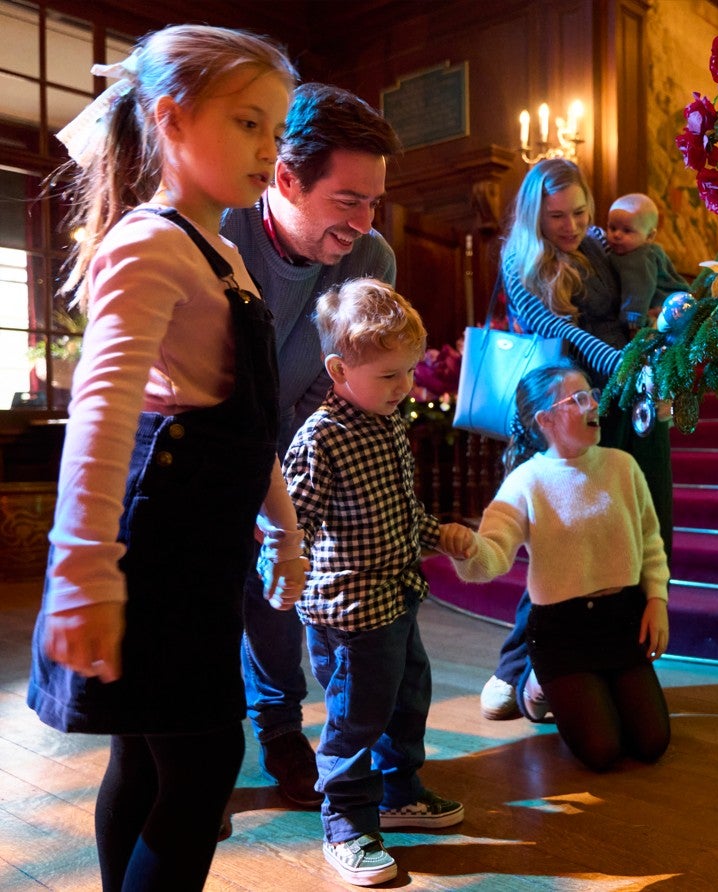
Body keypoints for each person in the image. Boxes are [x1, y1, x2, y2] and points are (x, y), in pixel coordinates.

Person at [25, 26, 304, 891]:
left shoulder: (221, 253)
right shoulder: (148, 243)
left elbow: (245, 424)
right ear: (171, 120)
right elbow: (100, 417)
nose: (270, 151)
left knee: (147, 766)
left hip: (200, 557)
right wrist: (84, 575)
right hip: (150, 557)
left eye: (277, 131)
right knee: (204, 763)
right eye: (249, 123)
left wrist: (282, 529)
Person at [221, 83, 401, 807]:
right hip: (205, 443)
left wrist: (285, 484)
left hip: (293, 449)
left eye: (373, 202)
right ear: (285, 180)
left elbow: (335, 384)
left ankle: (282, 731)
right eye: (347, 200)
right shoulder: (220, 231)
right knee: (208, 613)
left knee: (279, 600)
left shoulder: (370, 260)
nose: (362, 222)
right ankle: (210, 755)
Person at [284, 278, 469, 887]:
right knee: (354, 718)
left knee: (409, 697)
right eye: (390, 374)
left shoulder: (387, 421)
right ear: (339, 369)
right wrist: (278, 573)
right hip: (348, 608)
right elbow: (289, 521)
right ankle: (347, 822)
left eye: (410, 370)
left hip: (397, 593)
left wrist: (436, 532)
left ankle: (399, 790)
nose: (406, 386)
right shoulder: (320, 438)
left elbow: (401, 506)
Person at [479, 159, 675, 722]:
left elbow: (645, 289)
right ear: (534, 215)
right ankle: (517, 667)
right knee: (565, 543)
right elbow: (556, 328)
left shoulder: (601, 242)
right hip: (571, 402)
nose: (570, 225)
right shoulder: (520, 258)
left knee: (636, 525)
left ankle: (618, 657)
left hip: (628, 395)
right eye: (556, 216)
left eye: (580, 211)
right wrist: (619, 360)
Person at [451, 361, 671, 771]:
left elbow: (651, 543)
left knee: (651, 743)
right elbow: (493, 552)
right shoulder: (527, 481)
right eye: (580, 398)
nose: (594, 406)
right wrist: (468, 551)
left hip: (620, 620)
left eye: (594, 396)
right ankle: (532, 688)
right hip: (562, 631)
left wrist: (656, 599)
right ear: (546, 419)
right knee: (602, 752)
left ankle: (595, 687)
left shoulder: (623, 466)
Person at [605, 192, 690, 335]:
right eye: (612, 228)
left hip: (668, 307)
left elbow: (638, 291)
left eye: (627, 230)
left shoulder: (639, 258)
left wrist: (633, 321)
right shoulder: (624, 251)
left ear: (649, 236)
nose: (617, 235)